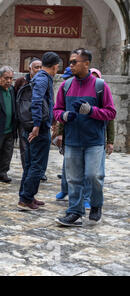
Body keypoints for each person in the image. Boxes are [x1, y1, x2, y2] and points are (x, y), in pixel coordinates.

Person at [54, 51, 116, 227]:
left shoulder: (100, 86)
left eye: (74, 62)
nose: (70, 65)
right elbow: (56, 110)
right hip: (72, 141)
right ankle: (75, 212)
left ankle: (96, 204)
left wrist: (92, 111)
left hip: (94, 142)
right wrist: (64, 115)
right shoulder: (65, 86)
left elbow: (111, 113)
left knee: (94, 175)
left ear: (86, 63)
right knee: (73, 179)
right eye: (70, 62)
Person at [17, 52, 60, 211]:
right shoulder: (43, 79)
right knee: (37, 165)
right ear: (55, 66)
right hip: (39, 129)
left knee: (30, 164)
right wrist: (36, 126)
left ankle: (26, 196)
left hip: (35, 126)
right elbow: (36, 101)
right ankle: (26, 198)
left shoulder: (40, 77)